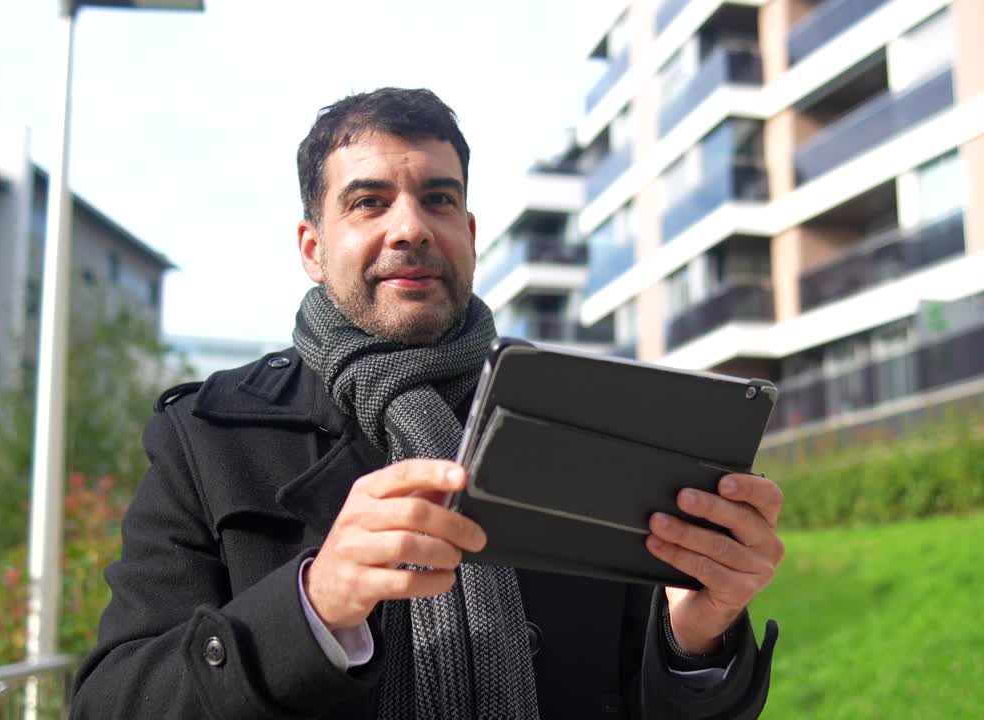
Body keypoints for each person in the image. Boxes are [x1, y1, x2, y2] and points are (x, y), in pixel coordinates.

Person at [71, 87, 784, 719]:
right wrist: (310, 607)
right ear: (312, 249)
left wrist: (698, 640)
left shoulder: (587, 420)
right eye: (369, 201)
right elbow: (111, 702)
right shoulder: (206, 437)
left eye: (439, 199)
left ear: (469, 237)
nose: (410, 227)